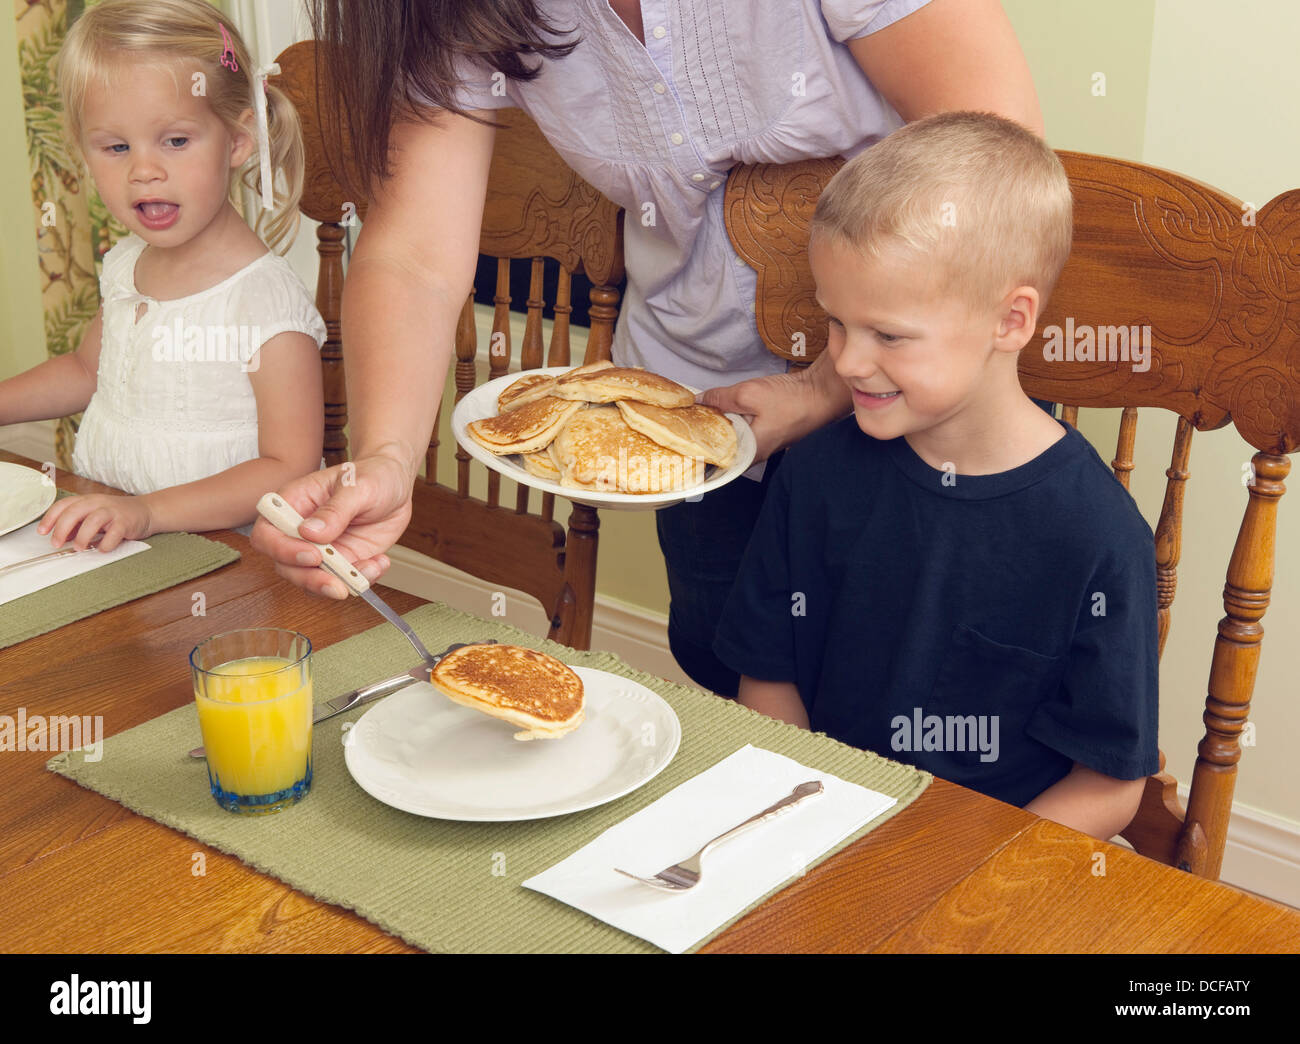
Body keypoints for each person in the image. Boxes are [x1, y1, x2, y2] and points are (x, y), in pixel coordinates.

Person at [252, 0, 1044, 698]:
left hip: (924, 404)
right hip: (705, 410)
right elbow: (416, 254)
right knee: (729, 675)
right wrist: (388, 458)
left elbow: (995, 162)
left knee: (942, 721)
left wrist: (824, 384)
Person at [713, 112, 1159, 841]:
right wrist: (800, 819)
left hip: (983, 868)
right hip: (808, 828)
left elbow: (1108, 785)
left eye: (888, 335)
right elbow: (769, 677)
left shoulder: (1099, 537)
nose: (848, 363)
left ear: (1010, 322)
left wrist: (963, 875)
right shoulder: (817, 472)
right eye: (836, 324)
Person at [0, 0, 326, 550]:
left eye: (175, 141)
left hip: (232, 559)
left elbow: (287, 467)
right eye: (116, 147)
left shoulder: (262, 301)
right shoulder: (127, 264)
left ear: (239, 140)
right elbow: (87, 370)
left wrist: (147, 512)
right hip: (118, 541)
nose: (143, 170)